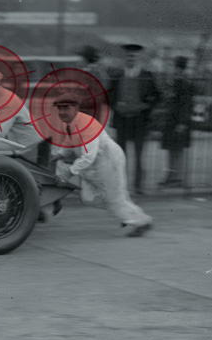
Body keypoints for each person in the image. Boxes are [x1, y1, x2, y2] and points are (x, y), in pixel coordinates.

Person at [52, 93, 153, 237]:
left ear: (75, 108)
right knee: (89, 198)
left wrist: (69, 172)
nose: (62, 112)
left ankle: (142, 221)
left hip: (108, 160)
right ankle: (125, 207)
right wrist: (60, 154)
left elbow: (88, 156)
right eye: (59, 108)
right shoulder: (70, 123)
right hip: (96, 164)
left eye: (66, 108)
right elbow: (71, 142)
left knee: (113, 199)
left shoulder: (86, 124)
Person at [109, 43, 161, 194]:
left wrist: (145, 106)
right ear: (124, 58)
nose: (131, 58)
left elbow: (157, 96)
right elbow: (108, 95)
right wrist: (116, 105)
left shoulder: (146, 75)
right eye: (128, 56)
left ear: (139, 58)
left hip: (139, 121)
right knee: (121, 156)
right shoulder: (117, 75)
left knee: (139, 155)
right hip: (122, 120)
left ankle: (138, 186)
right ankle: (121, 187)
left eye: (134, 56)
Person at [159, 56, 195, 186]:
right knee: (172, 149)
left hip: (178, 121)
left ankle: (176, 178)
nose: (177, 72)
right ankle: (172, 176)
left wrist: (182, 123)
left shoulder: (184, 84)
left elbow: (186, 105)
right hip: (173, 121)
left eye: (178, 69)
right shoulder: (176, 83)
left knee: (177, 150)